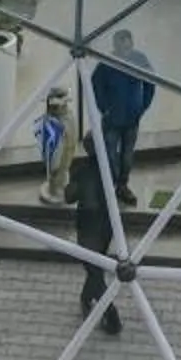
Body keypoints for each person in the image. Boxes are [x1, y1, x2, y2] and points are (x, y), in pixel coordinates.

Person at [89, 31, 158, 206]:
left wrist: (143, 106)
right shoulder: (107, 63)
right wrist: (104, 108)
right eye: (122, 47)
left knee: (127, 156)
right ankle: (112, 186)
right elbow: (95, 83)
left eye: (128, 46)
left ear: (132, 45)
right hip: (112, 119)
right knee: (111, 155)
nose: (125, 51)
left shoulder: (139, 59)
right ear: (115, 47)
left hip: (132, 119)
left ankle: (122, 186)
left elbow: (151, 82)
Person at [70, 134, 123, 336]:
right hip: (106, 225)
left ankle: (109, 311)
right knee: (95, 266)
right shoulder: (111, 168)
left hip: (89, 225)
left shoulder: (81, 171)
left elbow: (69, 196)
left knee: (94, 268)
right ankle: (86, 297)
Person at [36, 87, 73, 203]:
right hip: (56, 154)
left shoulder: (66, 118)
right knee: (55, 170)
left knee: (61, 170)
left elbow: (70, 141)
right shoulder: (52, 120)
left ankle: (58, 189)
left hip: (64, 152)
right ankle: (54, 190)